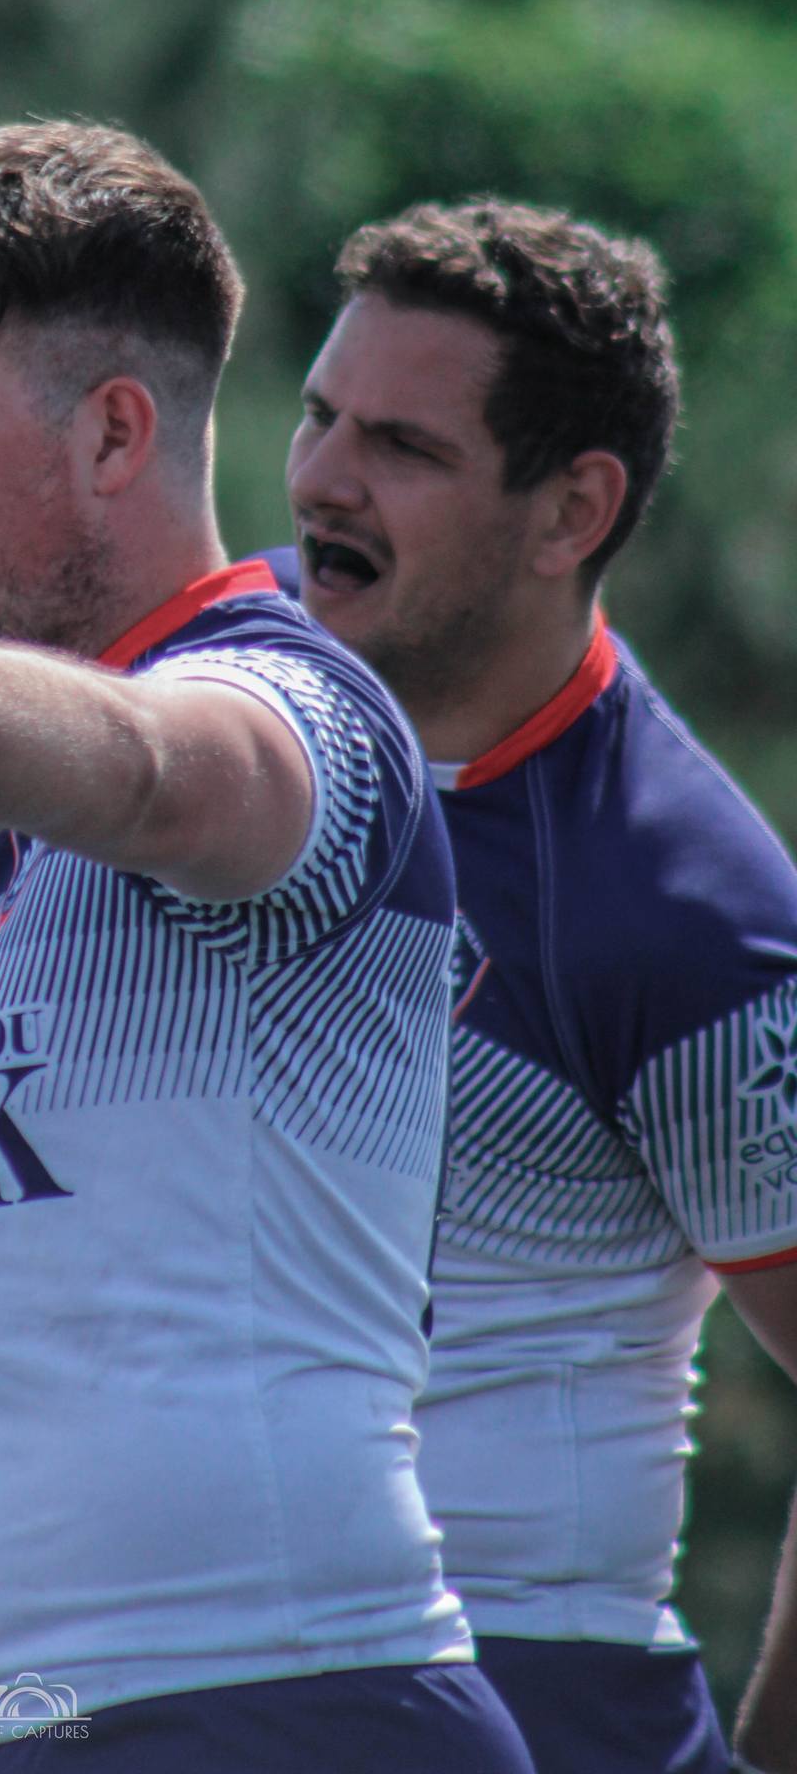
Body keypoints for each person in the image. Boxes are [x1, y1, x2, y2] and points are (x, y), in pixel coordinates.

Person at [0, 112, 536, 1772]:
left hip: (291, 1715)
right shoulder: (16, 876)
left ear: (116, 430)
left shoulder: (303, 701)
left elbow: (163, 770)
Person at [281, 198, 797, 1774]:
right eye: (317, 414)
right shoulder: (227, 686)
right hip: (190, 1664)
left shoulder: (685, 910)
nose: (321, 479)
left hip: (526, 1693)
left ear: (573, 508)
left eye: (401, 448)